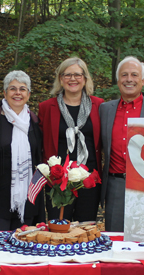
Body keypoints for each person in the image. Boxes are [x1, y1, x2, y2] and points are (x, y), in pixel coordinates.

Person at [100, 56, 144, 232]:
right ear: (118, 80)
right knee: (115, 238)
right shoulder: (105, 110)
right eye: (124, 75)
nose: (129, 79)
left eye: (134, 75)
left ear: (143, 81)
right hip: (116, 185)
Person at [38, 57, 103, 222]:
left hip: (88, 179)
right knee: (59, 228)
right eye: (67, 75)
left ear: (85, 79)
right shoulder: (46, 107)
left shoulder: (99, 106)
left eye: (77, 75)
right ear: (60, 79)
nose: (72, 79)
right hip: (59, 180)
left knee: (84, 228)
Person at [0, 71, 44, 230]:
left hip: (28, 200)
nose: (17, 93)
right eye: (12, 88)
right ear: (4, 93)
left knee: (25, 248)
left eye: (22, 89)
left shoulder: (34, 123)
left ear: (28, 94)